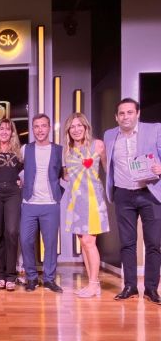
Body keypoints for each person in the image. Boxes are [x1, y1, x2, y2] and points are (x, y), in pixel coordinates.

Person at [104, 98, 161, 305]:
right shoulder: (110, 135)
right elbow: (108, 163)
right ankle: (130, 286)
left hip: (149, 193)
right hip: (123, 195)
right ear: (116, 117)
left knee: (154, 243)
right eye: (121, 113)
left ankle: (151, 289)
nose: (125, 117)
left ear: (137, 113)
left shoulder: (154, 130)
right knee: (127, 243)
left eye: (129, 112)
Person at [64, 112, 109, 298]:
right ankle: (92, 283)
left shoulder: (97, 145)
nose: (76, 130)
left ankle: (94, 284)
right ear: (68, 131)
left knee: (90, 242)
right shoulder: (67, 151)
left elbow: (108, 169)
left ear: (85, 127)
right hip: (76, 202)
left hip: (93, 200)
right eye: (72, 127)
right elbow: (67, 175)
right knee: (83, 243)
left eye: (79, 126)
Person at [20, 114, 64, 293]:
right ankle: (31, 278)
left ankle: (49, 279)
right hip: (29, 203)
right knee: (25, 240)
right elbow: (16, 169)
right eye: (36, 126)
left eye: (43, 126)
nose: (40, 130)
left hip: (51, 203)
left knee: (51, 243)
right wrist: (18, 180)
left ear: (49, 128)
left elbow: (65, 173)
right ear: (33, 129)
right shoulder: (25, 149)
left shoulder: (59, 150)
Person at [0, 119, 23, 291]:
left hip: (12, 193)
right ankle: (1, 275)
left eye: (8, 129)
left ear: (12, 133)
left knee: (12, 231)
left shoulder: (19, 152)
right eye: (1, 129)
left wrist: (21, 180)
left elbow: (25, 172)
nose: (4, 132)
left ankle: (11, 275)